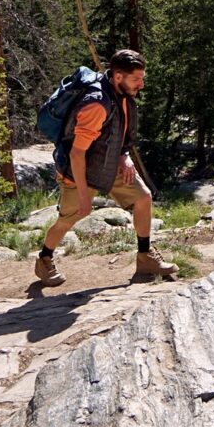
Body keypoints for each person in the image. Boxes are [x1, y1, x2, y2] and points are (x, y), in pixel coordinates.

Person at [34, 49, 177, 287]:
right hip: (78, 171)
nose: (141, 84)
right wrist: (84, 196)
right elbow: (77, 154)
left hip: (108, 163)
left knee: (143, 198)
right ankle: (44, 259)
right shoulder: (97, 104)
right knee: (69, 218)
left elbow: (118, 132)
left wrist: (124, 156)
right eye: (136, 79)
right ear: (118, 76)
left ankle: (145, 257)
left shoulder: (121, 94)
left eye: (142, 78)